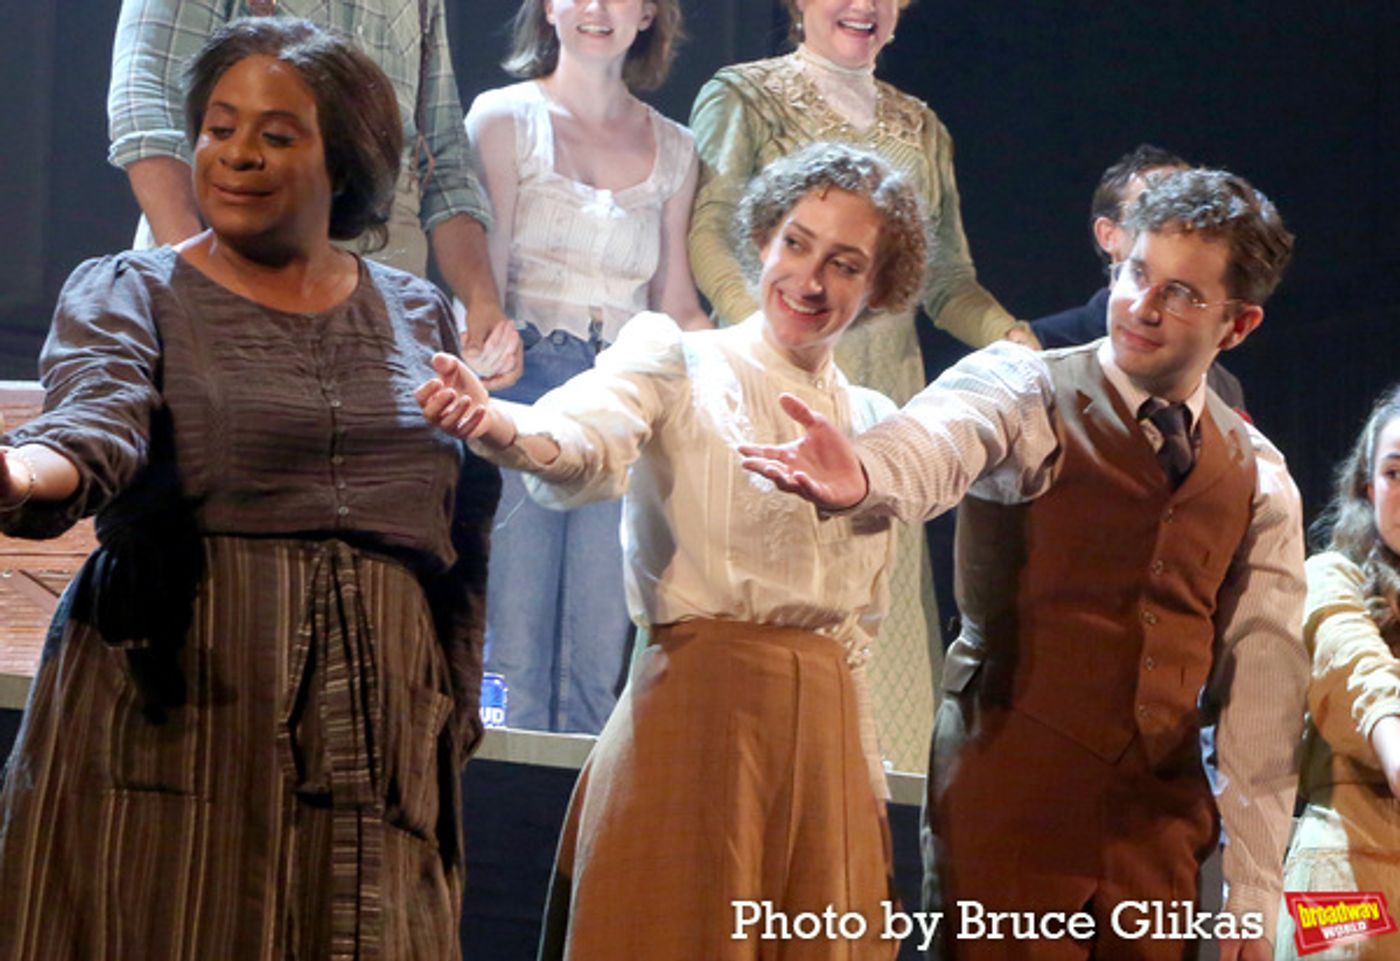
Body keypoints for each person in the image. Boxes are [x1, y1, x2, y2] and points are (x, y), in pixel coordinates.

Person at [0, 19, 497, 959]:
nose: (236, 155)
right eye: (219, 128)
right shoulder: (133, 291)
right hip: (181, 711)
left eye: (277, 134)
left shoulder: (417, 310)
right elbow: (92, 427)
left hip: (379, 728)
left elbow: (460, 524)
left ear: (344, 161)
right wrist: (18, 470)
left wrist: (447, 704)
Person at [740, 167, 1306, 961]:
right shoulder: (1023, 386)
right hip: (1010, 814)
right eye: (1136, 272)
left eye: (1180, 293)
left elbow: (1264, 692)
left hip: (1156, 839)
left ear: (1238, 326)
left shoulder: (1260, 474)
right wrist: (866, 474)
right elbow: (937, 437)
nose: (1141, 306)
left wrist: (1252, 887)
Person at [418, 142, 920, 960]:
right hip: (695, 715)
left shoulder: (872, 417)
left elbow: (860, 626)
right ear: (763, 239)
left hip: (828, 741)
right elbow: (585, 431)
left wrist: (861, 782)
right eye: (796, 242)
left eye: (845, 263)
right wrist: (504, 424)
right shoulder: (680, 360)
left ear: (878, 287)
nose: (810, 279)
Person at [689, 0, 1030, 774]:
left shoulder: (922, 126)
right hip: (773, 388)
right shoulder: (742, 95)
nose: (863, 6)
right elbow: (711, 231)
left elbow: (948, 280)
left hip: (881, 404)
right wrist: (773, 342)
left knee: (874, 612)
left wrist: (1017, 343)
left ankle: (866, 813)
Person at [463, 0, 710, 734]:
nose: (597, 8)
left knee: (600, 650)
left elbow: (674, 302)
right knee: (512, 640)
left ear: (649, 15)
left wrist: (751, 370)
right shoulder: (503, 119)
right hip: (522, 385)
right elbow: (483, 278)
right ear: (548, 7)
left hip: (621, 401)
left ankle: (575, 840)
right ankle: (499, 822)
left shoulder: (675, 147)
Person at [108, 0, 521, 385]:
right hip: (234, 273)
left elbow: (441, 150)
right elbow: (145, 107)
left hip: (379, 306)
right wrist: (199, 278)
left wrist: (481, 302)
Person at [1275, 385, 1400, 960]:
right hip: (1347, 866)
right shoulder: (1331, 576)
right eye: (1395, 472)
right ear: (1367, 488)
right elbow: (1349, 656)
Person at [1032, 144, 1247, 412]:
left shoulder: (1221, 383)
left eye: (1189, 208)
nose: (1175, 225)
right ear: (1108, 234)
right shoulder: (1035, 350)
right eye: (1150, 209)